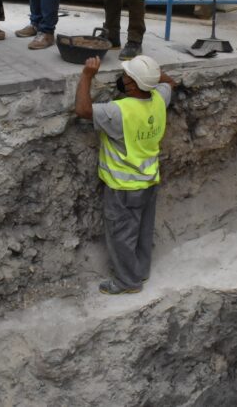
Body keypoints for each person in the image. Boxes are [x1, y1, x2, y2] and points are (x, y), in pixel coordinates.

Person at [75, 55, 177, 295]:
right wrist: (153, 72)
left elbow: (82, 109)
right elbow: (170, 82)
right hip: (149, 181)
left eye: (126, 76)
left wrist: (87, 76)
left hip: (123, 188)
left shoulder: (118, 112)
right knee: (142, 229)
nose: (122, 79)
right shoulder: (159, 100)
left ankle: (127, 281)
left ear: (132, 85)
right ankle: (140, 270)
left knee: (121, 235)